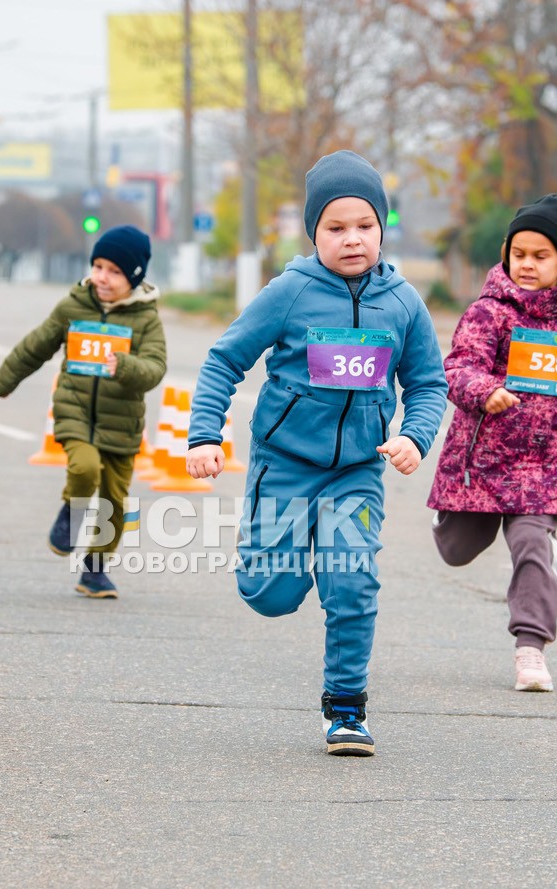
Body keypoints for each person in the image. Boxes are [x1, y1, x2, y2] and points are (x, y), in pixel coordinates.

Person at [186, 151, 448, 757]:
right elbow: (225, 360)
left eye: (365, 226)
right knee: (269, 594)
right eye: (336, 227)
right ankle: (286, 562)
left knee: (353, 579)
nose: (352, 239)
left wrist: (413, 437)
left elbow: (428, 384)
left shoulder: (404, 303)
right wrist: (205, 435)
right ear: (314, 233)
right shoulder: (289, 293)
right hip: (284, 466)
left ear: (383, 227)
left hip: (356, 472)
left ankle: (347, 709)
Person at [427, 194, 557, 693]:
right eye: (520, 254)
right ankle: (457, 524)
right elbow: (459, 367)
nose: (528, 265)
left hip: (544, 463)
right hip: (483, 461)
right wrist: (487, 392)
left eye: (541, 256)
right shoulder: (488, 313)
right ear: (507, 255)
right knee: (457, 550)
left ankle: (531, 650)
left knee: (532, 544)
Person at [0, 226, 167, 598]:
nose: (103, 277)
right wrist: (5, 381)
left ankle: (95, 568)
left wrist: (125, 365)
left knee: (114, 502)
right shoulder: (74, 306)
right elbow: (36, 345)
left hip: (122, 421)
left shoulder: (146, 318)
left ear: (135, 277)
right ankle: (71, 512)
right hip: (75, 411)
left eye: (115, 271)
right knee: (84, 468)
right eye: (99, 266)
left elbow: (154, 368)